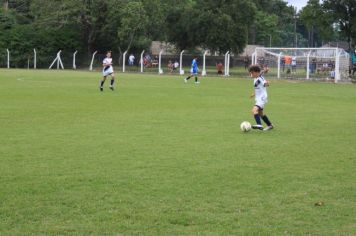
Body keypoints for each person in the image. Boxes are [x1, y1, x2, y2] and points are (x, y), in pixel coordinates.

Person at [249, 65, 273, 131]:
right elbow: (260, 73)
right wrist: (254, 93)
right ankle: (270, 125)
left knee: (254, 110)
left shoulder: (260, 78)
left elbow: (265, 84)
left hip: (262, 97)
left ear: (256, 72)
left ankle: (259, 125)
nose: (251, 74)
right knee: (260, 113)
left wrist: (267, 83)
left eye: (252, 73)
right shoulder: (256, 76)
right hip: (258, 97)